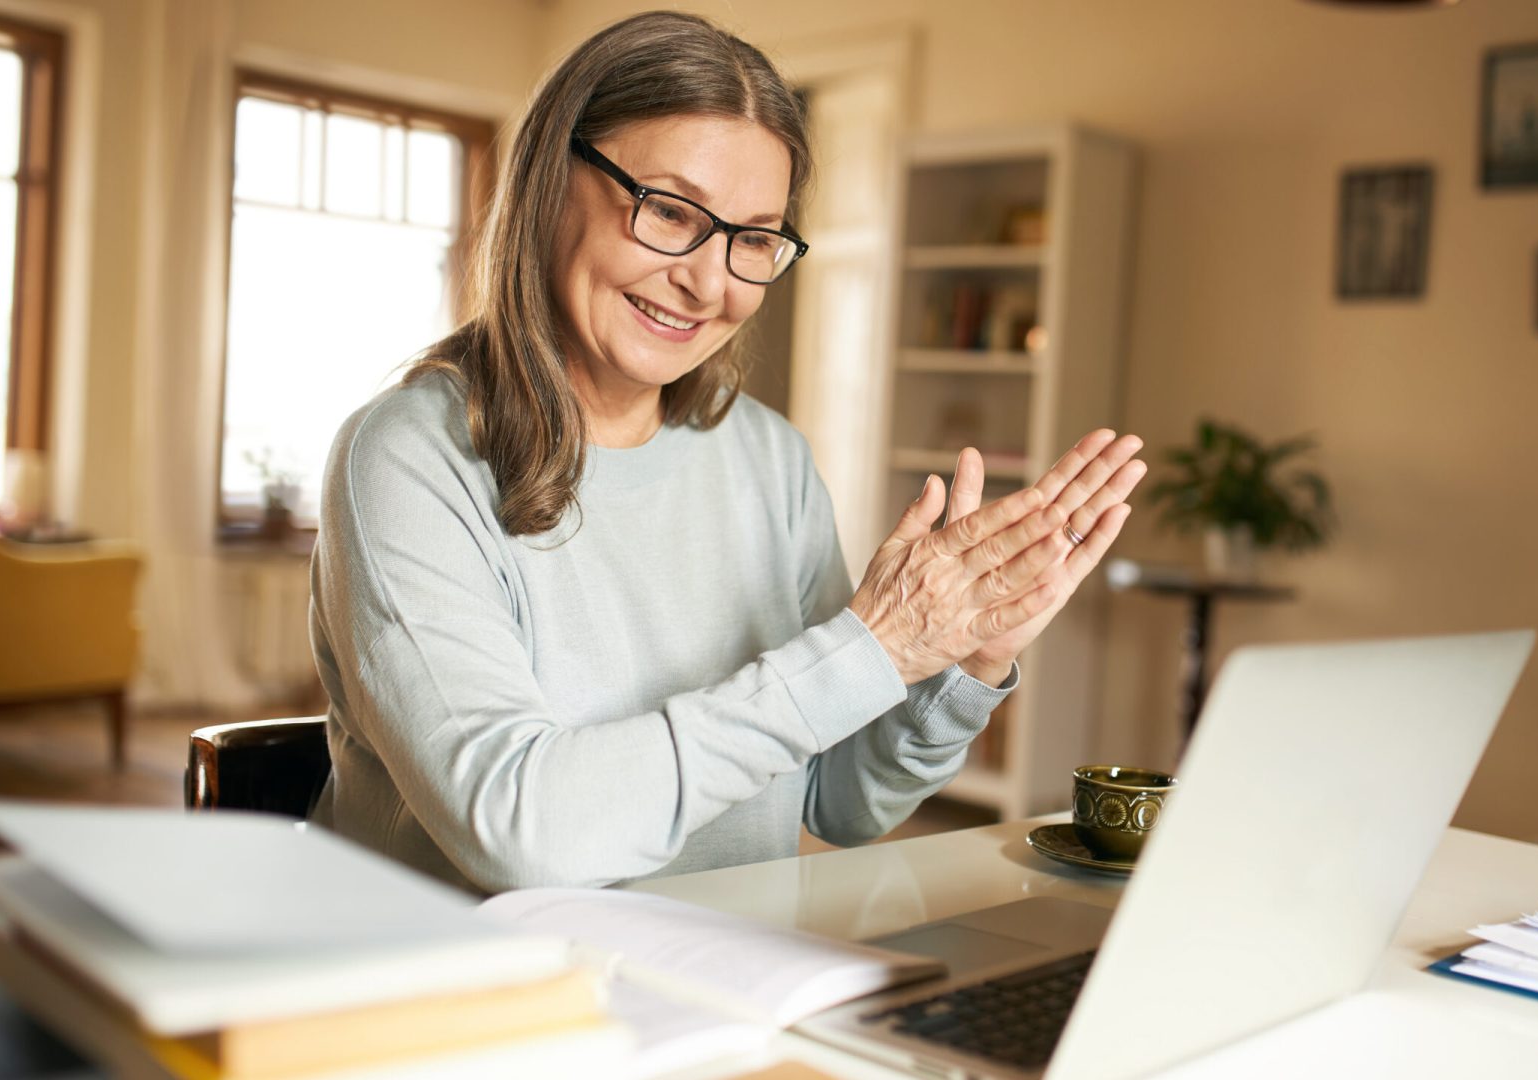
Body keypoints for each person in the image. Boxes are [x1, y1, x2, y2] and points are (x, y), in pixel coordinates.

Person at [306, 11, 1145, 894]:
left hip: (721, 982)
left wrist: (967, 658)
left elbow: (843, 800)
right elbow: (525, 836)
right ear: (552, 178)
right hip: (483, 1005)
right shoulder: (407, 458)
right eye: (669, 211)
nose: (708, 283)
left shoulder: (769, 460)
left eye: (751, 239)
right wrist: (876, 648)